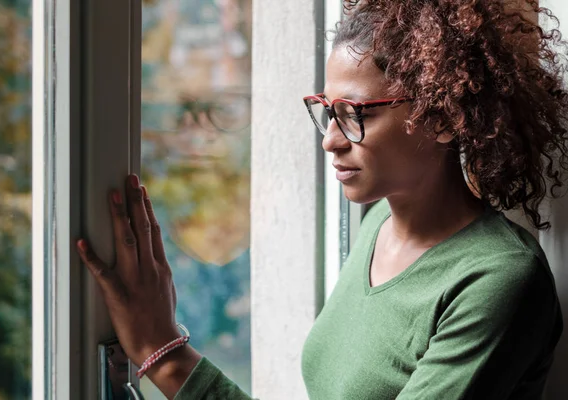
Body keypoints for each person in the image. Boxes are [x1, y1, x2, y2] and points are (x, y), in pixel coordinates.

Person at [77, 0, 566, 398]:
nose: (331, 139)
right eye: (326, 111)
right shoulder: (377, 224)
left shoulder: (497, 280)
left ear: (442, 117)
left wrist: (165, 354)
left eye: (354, 113)